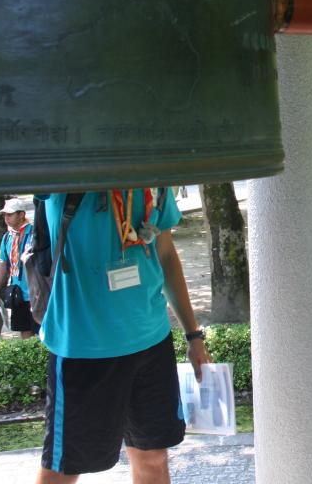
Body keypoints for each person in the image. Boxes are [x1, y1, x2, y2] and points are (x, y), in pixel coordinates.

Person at [35, 188, 211, 484]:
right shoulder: (62, 181)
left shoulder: (156, 180)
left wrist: (194, 337)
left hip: (151, 341)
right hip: (85, 348)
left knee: (153, 457)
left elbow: (165, 254)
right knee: (64, 468)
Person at [0, 197, 40, 338]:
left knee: (42, 331)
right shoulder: (7, 237)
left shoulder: (35, 233)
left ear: (21, 214)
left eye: (10, 214)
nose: (6, 218)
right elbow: (3, 264)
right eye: (5, 214)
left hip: (37, 292)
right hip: (18, 293)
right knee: (24, 331)